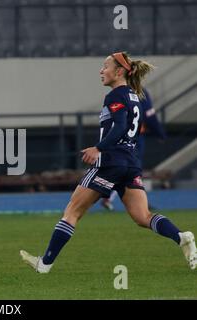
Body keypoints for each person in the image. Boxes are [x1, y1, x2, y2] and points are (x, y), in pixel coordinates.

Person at [20, 52, 197, 273]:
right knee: (143, 217)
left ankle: (44, 264)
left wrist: (98, 148)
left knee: (72, 212)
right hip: (131, 163)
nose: (101, 71)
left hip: (111, 161)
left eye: (105, 66)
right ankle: (181, 237)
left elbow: (121, 127)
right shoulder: (135, 96)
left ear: (119, 71)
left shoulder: (115, 95)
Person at [101, 87, 167, 211]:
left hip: (117, 137)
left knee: (121, 167)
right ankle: (138, 204)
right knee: (132, 170)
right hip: (134, 138)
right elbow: (149, 115)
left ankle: (109, 196)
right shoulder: (139, 91)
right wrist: (160, 133)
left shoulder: (116, 92)